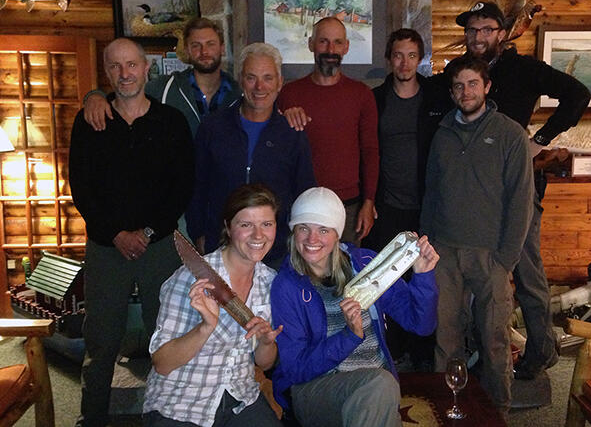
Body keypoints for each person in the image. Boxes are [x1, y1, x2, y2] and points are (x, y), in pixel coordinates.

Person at [436, 1, 591, 380]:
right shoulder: (457, 76)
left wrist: (539, 140)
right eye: (472, 30)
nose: (478, 37)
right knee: (478, 283)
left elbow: (578, 95)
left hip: (517, 188)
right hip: (475, 196)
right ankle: (476, 352)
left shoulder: (525, 69)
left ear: (502, 33)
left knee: (525, 272)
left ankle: (541, 350)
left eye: (487, 29)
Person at [69, 37, 194, 427]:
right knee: (101, 340)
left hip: (159, 247)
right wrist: (117, 234)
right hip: (106, 247)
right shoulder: (90, 121)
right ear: (107, 72)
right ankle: (92, 418)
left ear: (146, 69)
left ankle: (165, 415)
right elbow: (81, 187)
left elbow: (182, 187)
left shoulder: (170, 122)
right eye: (115, 67)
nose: (125, 74)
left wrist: (148, 230)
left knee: (166, 335)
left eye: (132, 65)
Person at [271, 187, 438, 427]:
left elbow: (421, 325)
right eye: (303, 228)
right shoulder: (287, 286)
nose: (312, 239)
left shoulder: (366, 265)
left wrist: (423, 276)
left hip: (376, 388)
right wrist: (349, 336)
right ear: (293, 231)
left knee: (379, 393)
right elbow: (296, 369)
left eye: (323, 229)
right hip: (316, 390)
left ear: (337, 234)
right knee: (380, 386)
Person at [421, 56, 534, 412]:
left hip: (491, 255)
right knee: (446, 336)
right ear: (452, 92)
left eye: (472, 84)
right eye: (458, 86)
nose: (465, 91)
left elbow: (521, 201)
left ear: (486, 87)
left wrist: (506, 259)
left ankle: (497, 410)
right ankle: (446, 406)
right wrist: (425, 242)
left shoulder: (510, 134)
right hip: (444, 253)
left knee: (495, 339)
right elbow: (431, 192)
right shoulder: (443, 134)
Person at [143, 184, 283, 427]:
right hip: (182, 402)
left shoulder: (270, 283)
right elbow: (162, 363)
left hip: (240, 398)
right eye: (246, 225)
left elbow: (265, 363)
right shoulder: (192, 277)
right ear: (228, 228)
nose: (258, 235)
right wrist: (205, 328)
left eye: (266, 224)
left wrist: (266, 342)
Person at [364, 28, 450, 370]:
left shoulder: (436, 97)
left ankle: (423, 354)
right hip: (387, 207)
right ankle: (394, 350)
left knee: (425, 280)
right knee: (390, 280)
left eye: (411, 55)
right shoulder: (375, 98)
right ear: (389, 59)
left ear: (421, 59)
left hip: (427, 207)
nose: (404, 62)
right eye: (398, 55)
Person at [185, 42, 315, 265]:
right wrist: (198, 233)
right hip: (221, 246)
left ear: (279, 82)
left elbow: (304, 192)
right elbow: (197, 185)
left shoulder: (292, 133)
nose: (259, 87)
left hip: (276, 251)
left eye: (268, 78)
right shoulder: (213, 127)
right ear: (240, 80)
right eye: (251, 77)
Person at [278, 17, 379, 246]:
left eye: (337, 42)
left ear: (346, 47)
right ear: (311, 44)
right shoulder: (289, 94)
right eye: (323, 42)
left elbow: (370, 151)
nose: (330, 49)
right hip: (301, 205)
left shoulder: (362, 94)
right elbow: (276, 150)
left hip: (349, 207)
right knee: (302, 276)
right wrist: (283, 119)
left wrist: (369, 201)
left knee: (347, 276)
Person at [83, 17, 241, 135]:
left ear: (222, 48)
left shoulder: (239, 94)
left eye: (210, 44)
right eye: (196, 45)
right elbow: (128, 90)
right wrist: (95, 96)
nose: (204, 52)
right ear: (186, 50)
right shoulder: (166, 87)